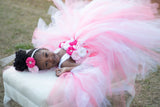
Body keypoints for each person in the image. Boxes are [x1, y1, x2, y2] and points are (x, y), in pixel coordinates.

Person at [14, 0, 160, 106]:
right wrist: (66, 69)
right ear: (47, 68)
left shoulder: (56, 47)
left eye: (46, 55)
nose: (51, 59)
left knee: (105, 19)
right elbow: (83, 67)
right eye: (46, 64)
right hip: (97, 49)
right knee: (116, 37)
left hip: (90, 36)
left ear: (45, 49)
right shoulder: (63, 62)